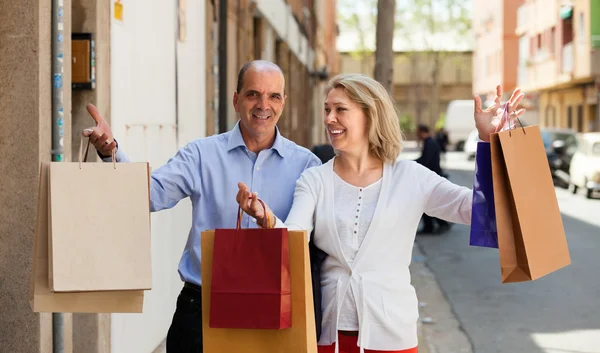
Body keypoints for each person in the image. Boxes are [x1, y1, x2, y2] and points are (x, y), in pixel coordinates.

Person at [236, 75, 525, 353]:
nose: (329, 119)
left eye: (340, 110)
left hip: (392, 336)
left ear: (369, 115)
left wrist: (489, 143)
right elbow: (294, 239)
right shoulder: (314, 180)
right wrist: (267, 218)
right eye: (327, 110)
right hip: (328, 335)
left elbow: (480, 211)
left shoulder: (410, 177)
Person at [82, 60, 321, 353]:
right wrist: (111, 152)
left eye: (273, 96)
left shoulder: (307, 166)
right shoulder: (202, 155)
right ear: (236, 100)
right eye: (252, 94)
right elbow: (151, 195)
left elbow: (314, 240)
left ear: (283, 102)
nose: (263, 104)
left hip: (275, 311)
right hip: (202, 310)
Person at [415, 124, 450, 234]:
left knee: (430, 202)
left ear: (422, 132)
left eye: (418, 132)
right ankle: (430, 226)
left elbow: (426, 160)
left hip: (431, 177)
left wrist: (412, 164)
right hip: (430, 176)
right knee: (427, 202)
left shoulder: (430, 142)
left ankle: (442, 224)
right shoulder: (429, 142)